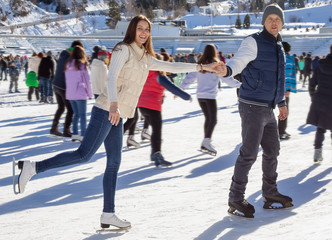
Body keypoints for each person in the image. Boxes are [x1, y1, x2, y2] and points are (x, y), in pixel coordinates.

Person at [14, 15, 218, 230]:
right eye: (140, 28)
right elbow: (111, 77)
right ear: (132, 29)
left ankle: (108, 213)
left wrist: (202, 67)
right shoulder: (123, 49)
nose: (143, 32)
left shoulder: (145, 57)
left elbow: (173, 66)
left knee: (113, 164)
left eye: (147, 29)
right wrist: (113, 104)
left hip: (119, 114)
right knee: (84, 154)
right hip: (107, 110)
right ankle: (33, 167)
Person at [214, 3, 293, 218]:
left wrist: (281, 102)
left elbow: (278, 78)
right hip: (251, 105)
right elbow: (239, 62)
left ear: (282, 23)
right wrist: (228, 69)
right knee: (249, 153)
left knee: (272, 151)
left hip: (267, 107)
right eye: (270, 19)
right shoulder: (253, 41)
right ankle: (235, 197)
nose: (274, 22)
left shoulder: (278, 45)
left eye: (278, 19)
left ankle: (270, 192)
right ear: (264, 22)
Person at [180, 44, 240, 155]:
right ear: (214, 52)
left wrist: (181, 88)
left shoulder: (200, 65)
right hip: (210, 97)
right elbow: (227, 79)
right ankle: (206, 140)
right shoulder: (216, 66)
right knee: (212, 119)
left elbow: (189, 77)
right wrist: (240, 85)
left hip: (200, 96)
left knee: (208, 118)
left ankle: (206, 140)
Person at [138, 53, 192, 167]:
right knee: (157, 131)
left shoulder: (144, 74)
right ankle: (157, 156)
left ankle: (153, 153)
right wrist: (187, 97)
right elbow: (173, 88)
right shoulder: (160, 76)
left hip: (142, 105)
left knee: (154, 130)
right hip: (153, 107)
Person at [49, 41, 83, 138]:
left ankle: (54, 128)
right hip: (64, 86)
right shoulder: (73, 58)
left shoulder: (63, 53)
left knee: (61, 107)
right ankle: (66, 130)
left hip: (56, 84)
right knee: (71, 109)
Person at [65, 46, 92, 142]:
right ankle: (83, 135)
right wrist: (90, 94)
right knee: (83, 115)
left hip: (70, 93)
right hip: (80, 93)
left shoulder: (68, 64)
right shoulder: (82, 65)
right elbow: (87, 81)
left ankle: (75, 134)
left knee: (76, 114)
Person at [278, 41, 297, 140]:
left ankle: (264, 133)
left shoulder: (274, 57)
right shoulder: (289, 59)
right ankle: (281, 132)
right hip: (283, 90)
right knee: (284, 111)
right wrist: (288, 89)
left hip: (271, 89)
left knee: (266, 112)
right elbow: (289, 75)